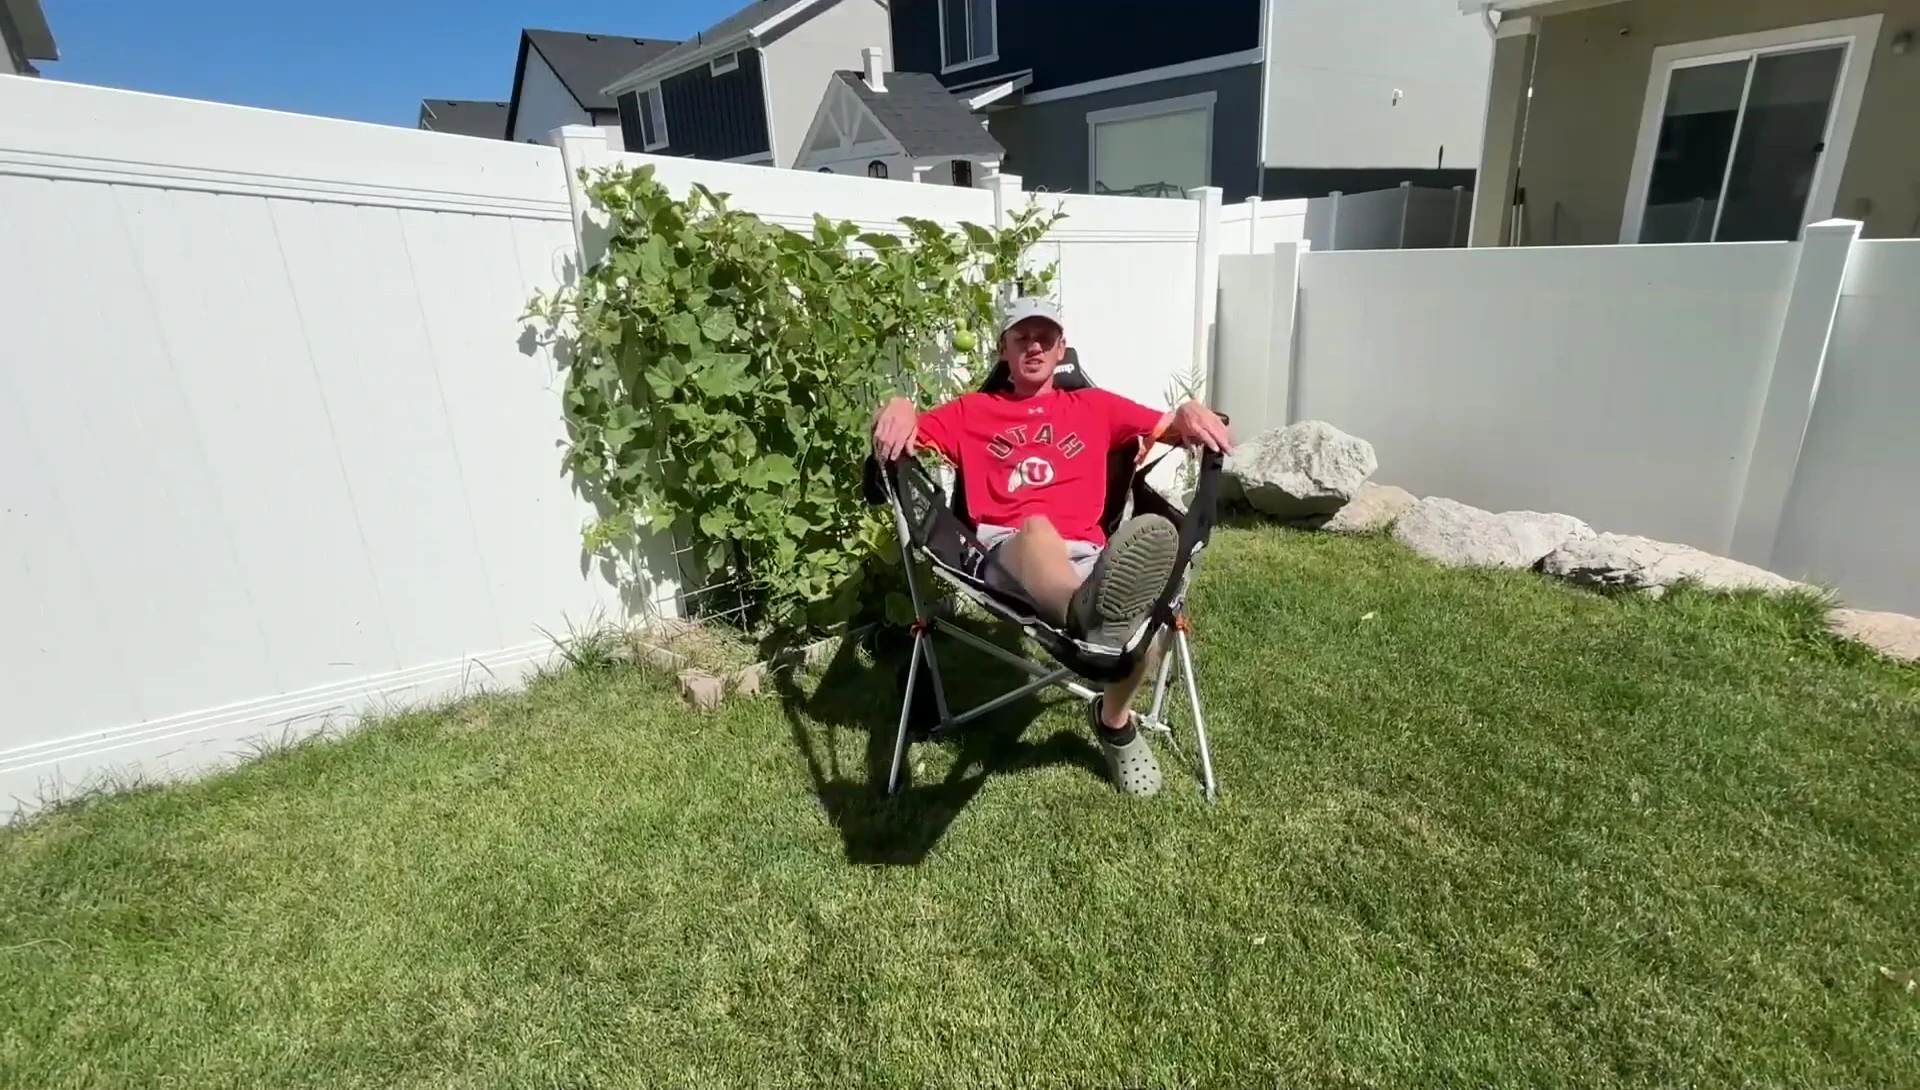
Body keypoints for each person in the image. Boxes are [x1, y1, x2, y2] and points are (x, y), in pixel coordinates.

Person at [872, 297, 1233, 798]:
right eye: (1022, 337)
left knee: (1145, 632)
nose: (1035, 346)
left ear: (1062, 348)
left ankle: (1113, 717)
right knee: (1040, 531)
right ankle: (1086, 618)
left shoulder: (1096, 406)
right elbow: (904, 437)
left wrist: (1192, 410)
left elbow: (1171, 425)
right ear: (1004, 349)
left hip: (1088, 555)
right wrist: (899, 404)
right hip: (1006, 552)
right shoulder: (971, 412)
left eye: (1046, 337)